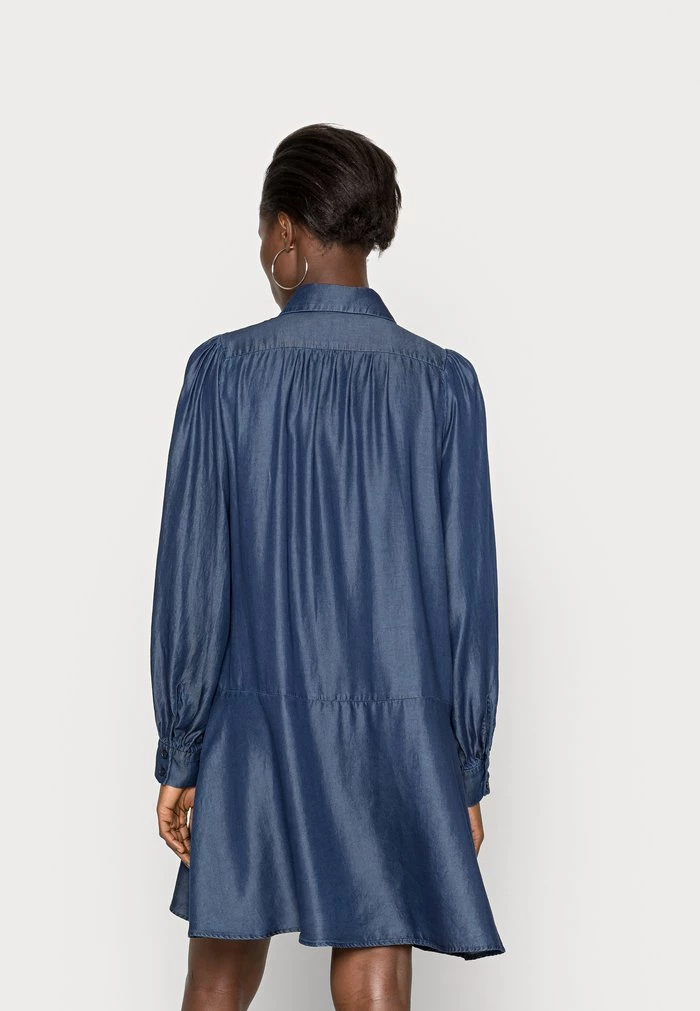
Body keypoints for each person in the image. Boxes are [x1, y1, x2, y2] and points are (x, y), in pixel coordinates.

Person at [150, 122, 505, 1011]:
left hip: (252, 719)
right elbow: (469, 593)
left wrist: (181, 747)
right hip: (395, 727)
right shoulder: (442, 382)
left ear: (284, 231)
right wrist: (463, 765)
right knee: (376, 950)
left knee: (220, 964)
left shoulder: (224, 373)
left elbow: (194, 571)